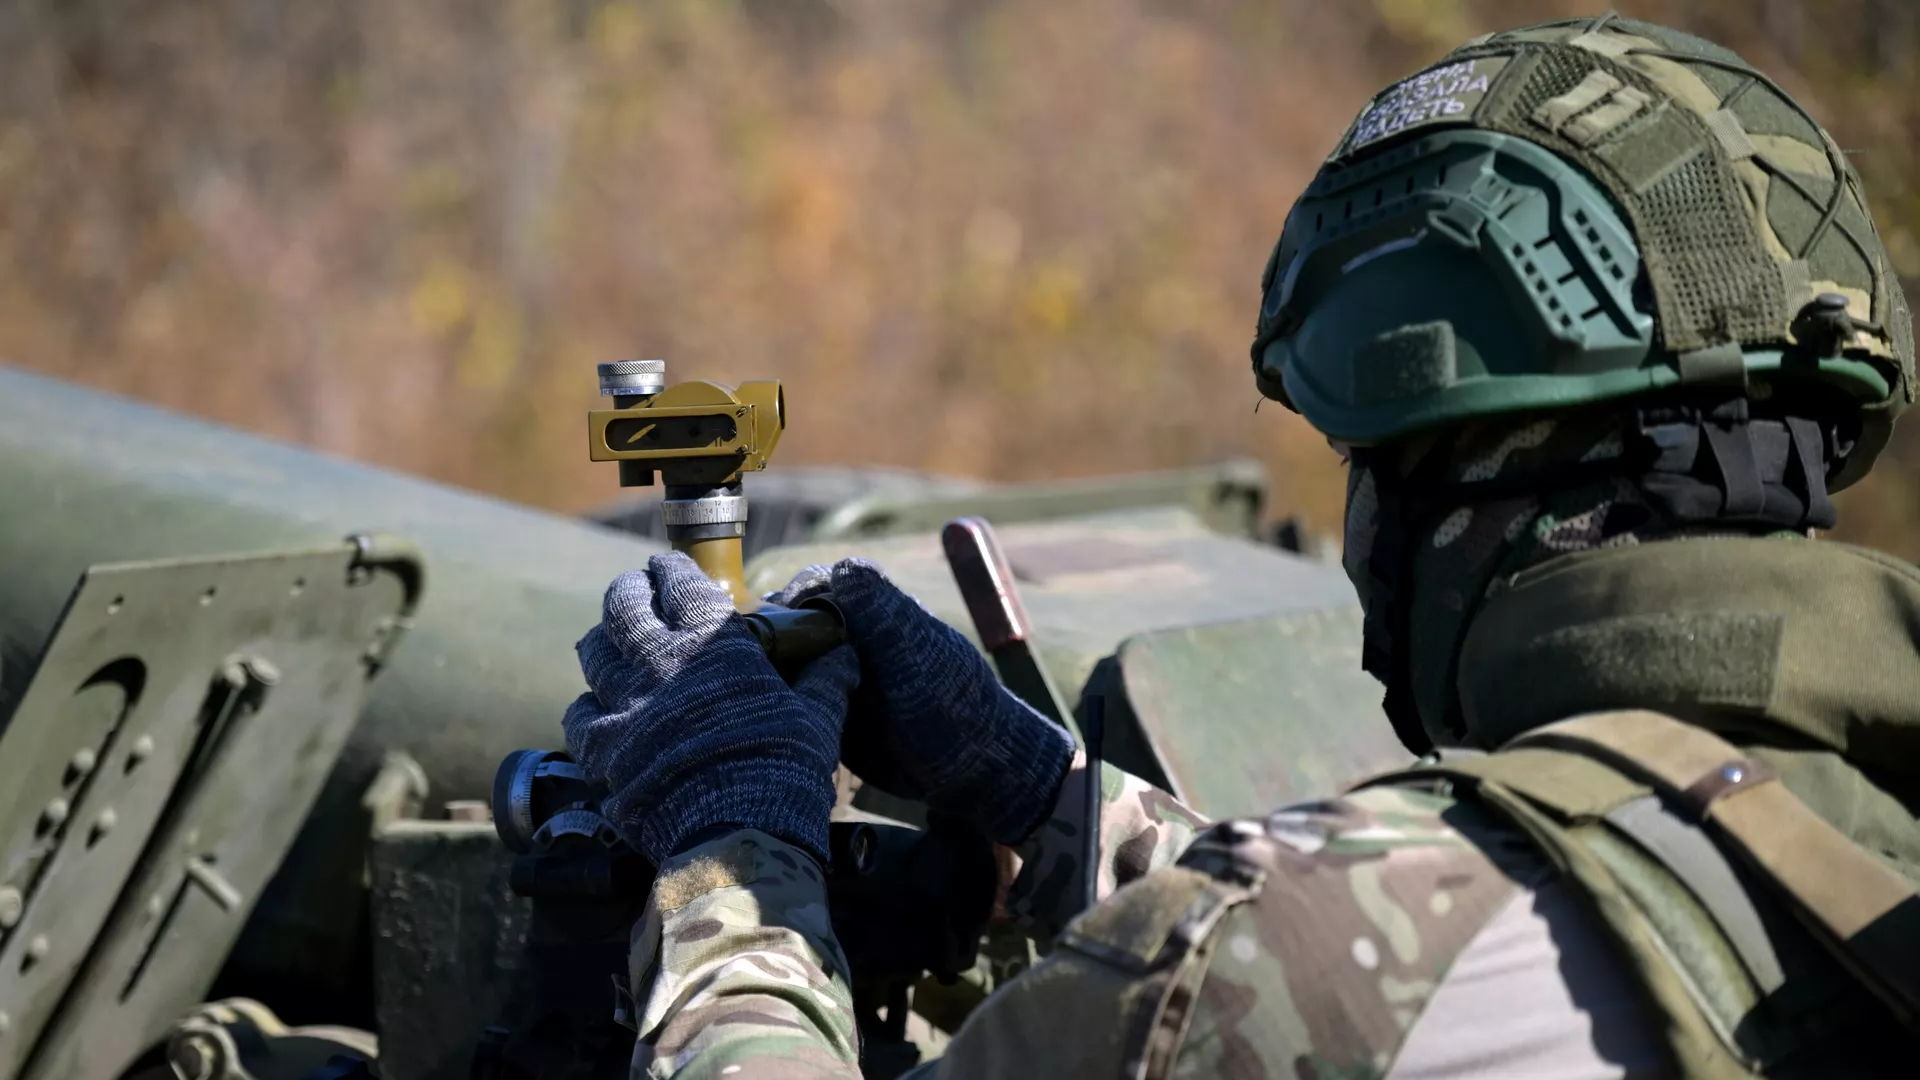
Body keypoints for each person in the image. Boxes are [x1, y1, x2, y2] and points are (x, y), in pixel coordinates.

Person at [561, 14, 1920, 1078]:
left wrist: (730, 847)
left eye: (1360, 462)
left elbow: (1311, 963)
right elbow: (1437, 936)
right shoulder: (1859, 815)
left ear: (1437, 478)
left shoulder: (1286, 954)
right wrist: (1047, 796)